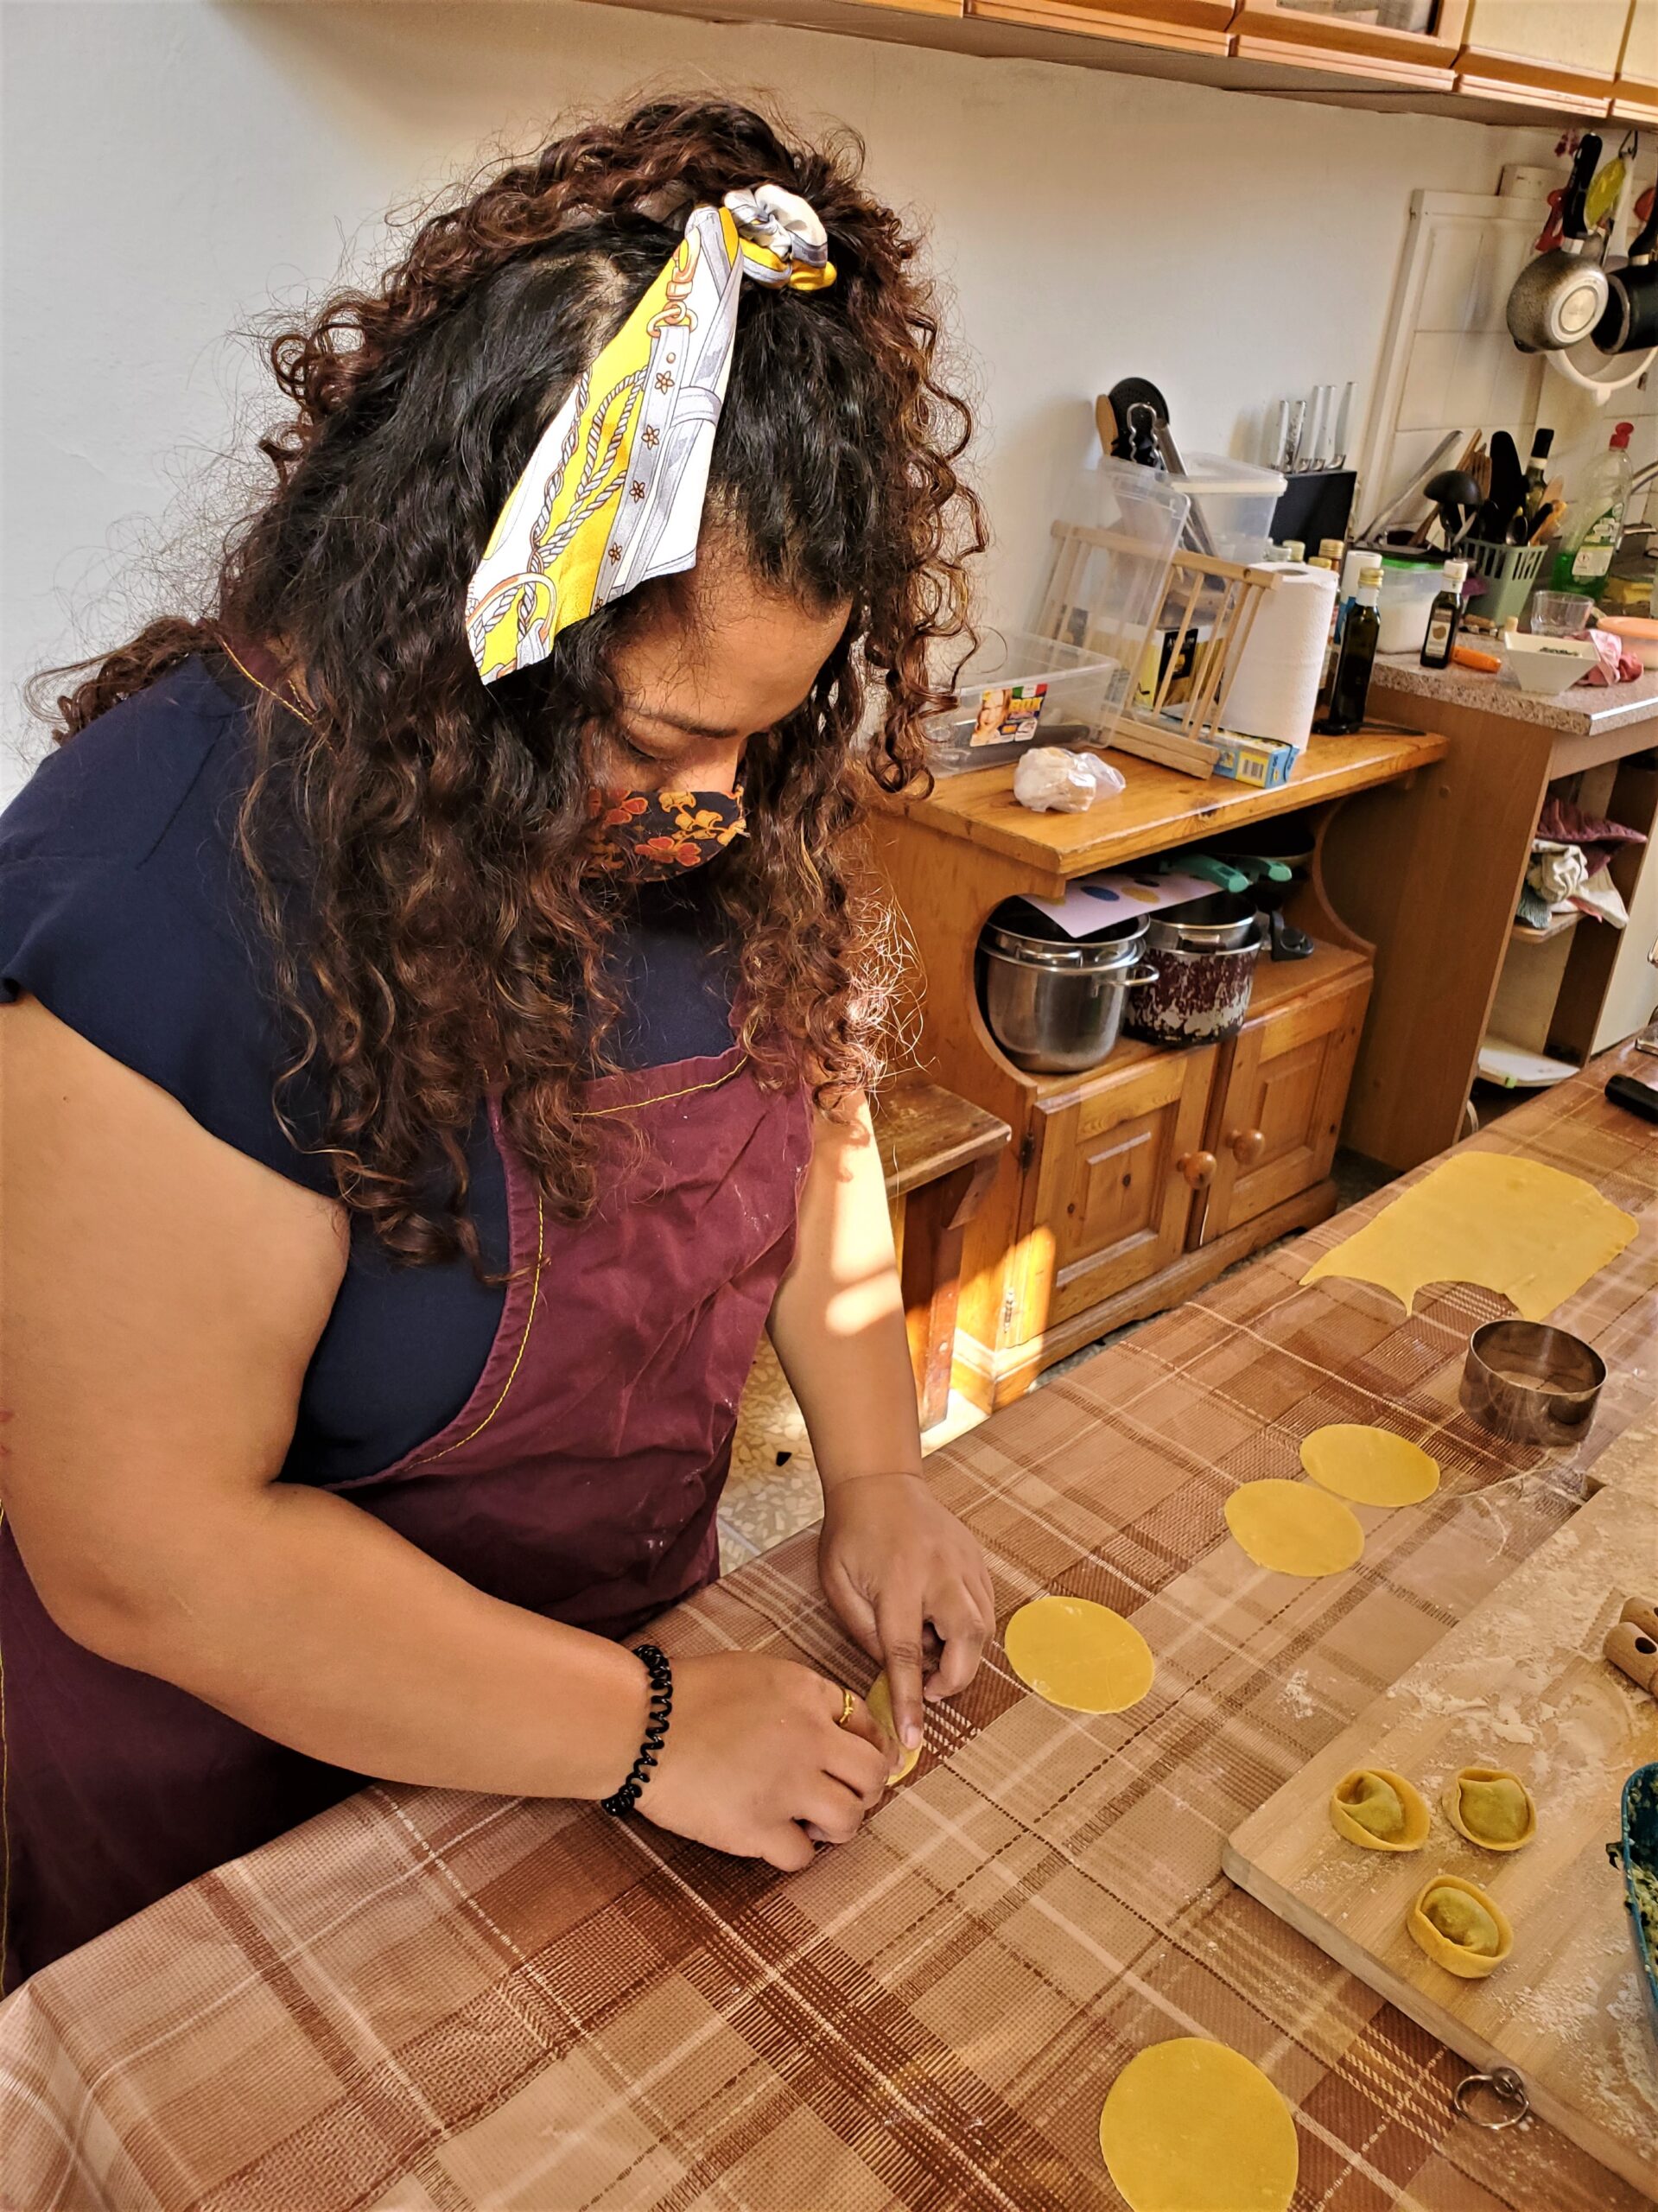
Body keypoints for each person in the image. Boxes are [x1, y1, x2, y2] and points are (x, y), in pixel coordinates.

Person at [0, 97, 995, 1989]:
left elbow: (806, 1109)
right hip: (257, 1794)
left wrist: (875, 1476)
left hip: (623, 1710)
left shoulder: (713, 797)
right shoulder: (173, 889)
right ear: (464, 614)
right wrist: (641, 1727)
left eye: (765, 737)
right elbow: (147, 1550)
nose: (716, 808)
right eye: (649, 746)